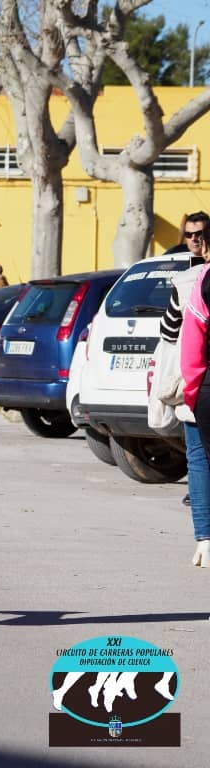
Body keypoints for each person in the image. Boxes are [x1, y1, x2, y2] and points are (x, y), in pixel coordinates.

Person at [163, 211, 210, 537]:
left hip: (199, 380)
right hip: (198, 380)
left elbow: (171, 332)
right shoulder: (183, 271)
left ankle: (205, 538)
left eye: (200, 234)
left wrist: (191, 390)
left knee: (198, 459)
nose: (195, 240)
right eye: (190, 234)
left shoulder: (191, 279)